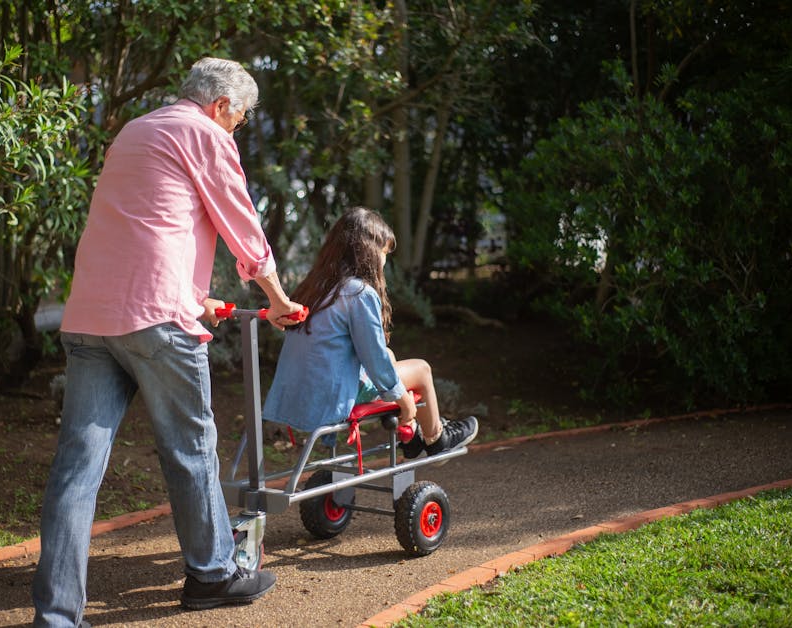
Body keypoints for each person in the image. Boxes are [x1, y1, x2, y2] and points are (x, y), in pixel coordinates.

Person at [32, 57, 303, 627]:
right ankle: (212, 575)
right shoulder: (203, 133)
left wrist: (191, 292)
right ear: (221, 105)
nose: (239, 129)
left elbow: (145, 223)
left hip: (92, 315)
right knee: (191, 448)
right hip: (156, 321)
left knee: (76, 470)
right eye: (242, 118)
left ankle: (56, 617)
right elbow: (243, 227)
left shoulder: (136, 129)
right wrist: (278, 300)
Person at [262, 207, 478, 459]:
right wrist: (403, 400)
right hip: (332, 395)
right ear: (368, 252)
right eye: (384, 252)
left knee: (389, 354)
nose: (385, 261)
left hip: (299, 391)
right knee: (421, 370)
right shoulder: (357, 293)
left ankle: (412, 433)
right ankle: (436, 436)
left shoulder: (316, 287)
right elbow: (373, 358)